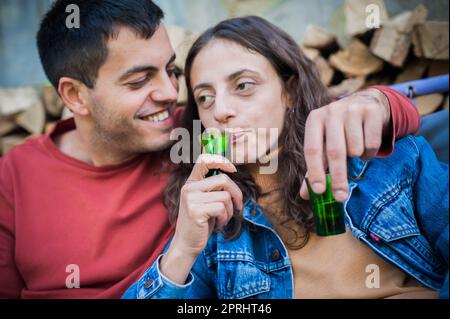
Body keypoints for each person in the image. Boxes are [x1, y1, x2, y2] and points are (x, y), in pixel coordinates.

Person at [0, 1, 421, 298]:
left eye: (169, 71)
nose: (168, 94)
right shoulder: (15, 174)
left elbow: (317, 110)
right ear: (74, 96)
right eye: (138, 81)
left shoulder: (193, 138)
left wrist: (380, 102)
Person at [122, 16, 449, 299]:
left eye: (244, 85)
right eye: (205, 97)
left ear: (289, 91)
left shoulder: (382, 158)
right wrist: (181, 249)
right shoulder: (216, 223)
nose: (220, 111)